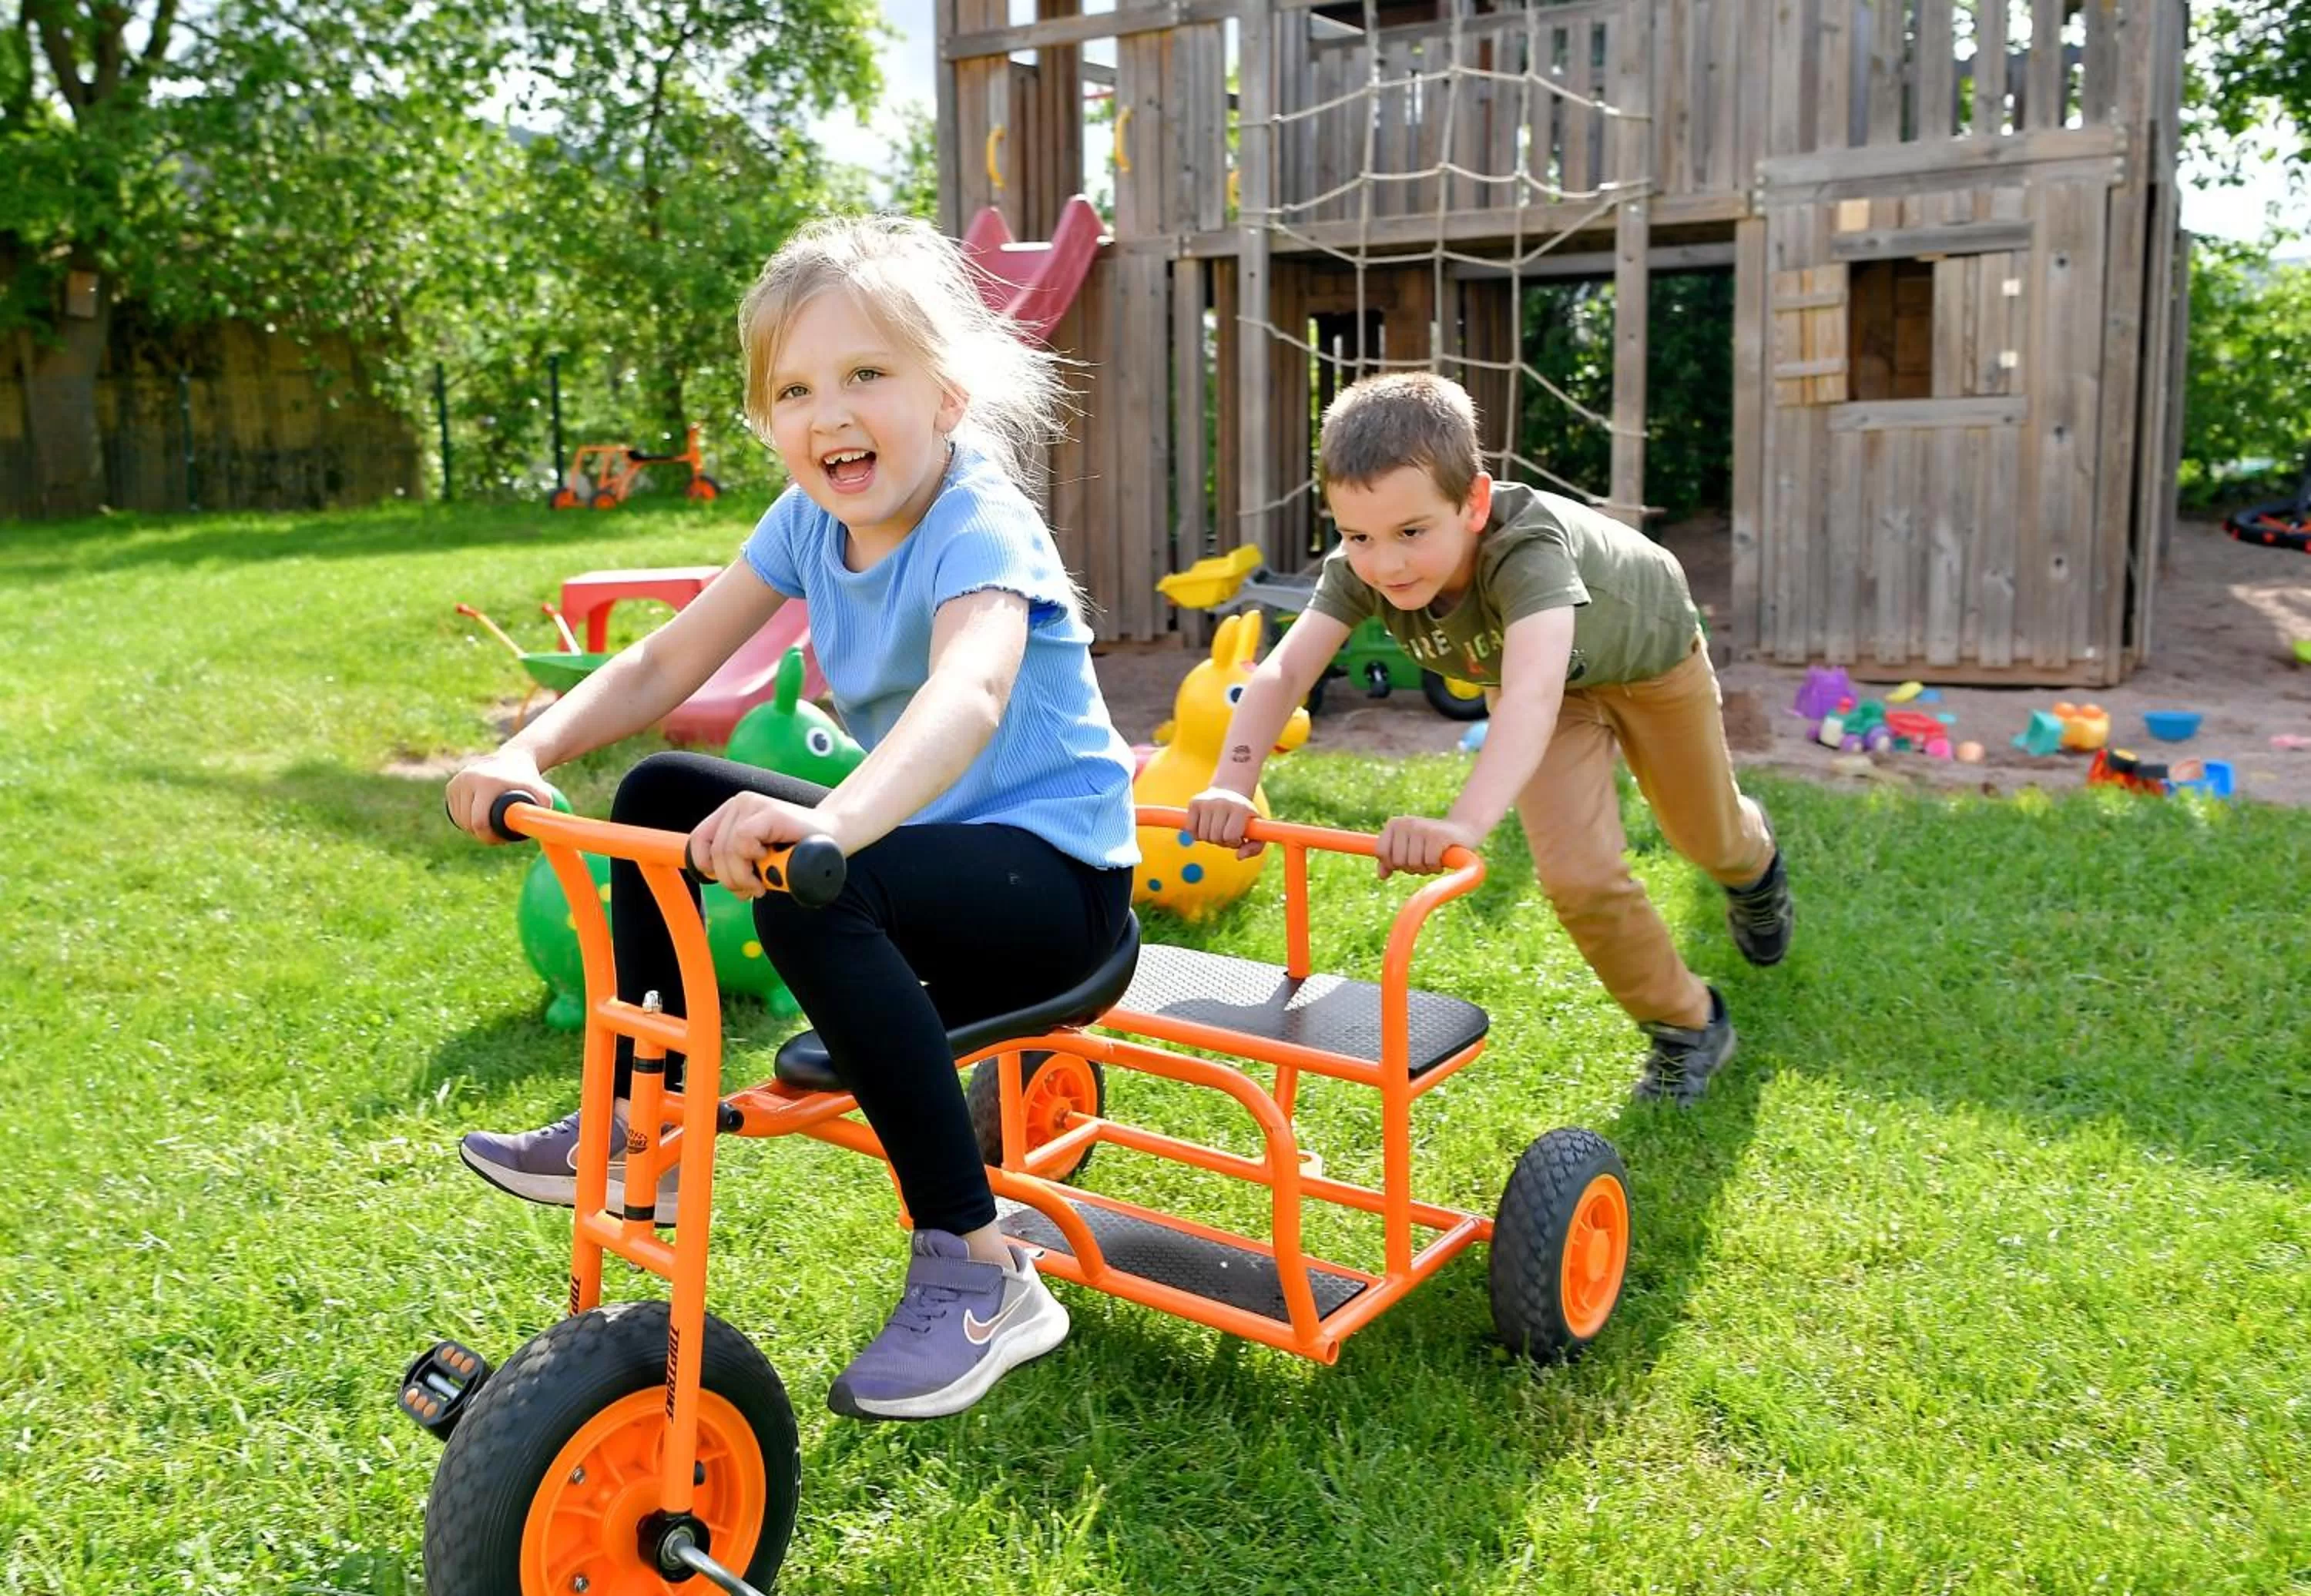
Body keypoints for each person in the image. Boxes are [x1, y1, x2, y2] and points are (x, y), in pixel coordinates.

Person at [444, 215, 1139, 1420]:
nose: (832, 414)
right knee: (663, 786)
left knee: (815, 885)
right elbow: (668, 660)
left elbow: (968, 696)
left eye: (869, 375)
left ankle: (982, 1267)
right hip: (918, 851)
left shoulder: (981, 525)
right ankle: (636, 1119)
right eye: (796, 389)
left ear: (947, 395)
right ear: (768, 420)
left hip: (1057, 890)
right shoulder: (809, 522)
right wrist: (527, 745)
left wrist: (834, 828)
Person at [1188, 371, 1790, 1105]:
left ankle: (1754, 869)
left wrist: (1463, 821)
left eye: (1412, 532)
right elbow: (1282, 674)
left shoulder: (1526, 548)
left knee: (1706, 835)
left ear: (1474, 501)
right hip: (1543, 682)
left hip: (1648, 658)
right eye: (1359, 536)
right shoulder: (1364, 567)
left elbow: (1530, 693)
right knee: (1577, 878)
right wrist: (1231, 779)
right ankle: (1689, 1024)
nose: (1387, 563)